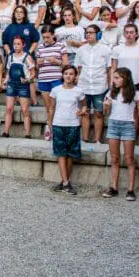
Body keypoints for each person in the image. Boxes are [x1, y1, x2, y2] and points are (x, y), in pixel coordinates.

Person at [103, 67, 139, 200]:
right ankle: (114, 187)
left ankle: (130, 189)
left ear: (126, 78)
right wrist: (106, 106)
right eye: (114, 77)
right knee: (114, 158)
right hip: (113, 124)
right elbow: (106, 112)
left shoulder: (135, 94)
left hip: (128, 125)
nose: (115, 80)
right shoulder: (111, 92)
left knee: (129, 158)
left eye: (118, 77)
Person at [48, 65, 84, 195]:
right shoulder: (56, 90)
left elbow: (83, 106)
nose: (68, 76)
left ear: (75, 76)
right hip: (59, 123)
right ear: (62, 75)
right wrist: (50, 122)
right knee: (61, 153)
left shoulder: (79, 91)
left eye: (71, 74)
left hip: (73, 124)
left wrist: (82, 111)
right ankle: (65, 183)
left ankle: (65, 181)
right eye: (66, 73)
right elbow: (51, 107)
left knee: (70, 154)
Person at [1, 36, 34, 138]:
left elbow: (33, 74)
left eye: (18, 44)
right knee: (9, 108)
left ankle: (27, 134)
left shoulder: (27, 57)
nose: (16, 46)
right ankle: (6, 132)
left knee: (24, 110)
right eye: (14, 44)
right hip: (12, 84)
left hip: (23, 85)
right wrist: (5, 82)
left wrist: (27, 80)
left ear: (23, 45)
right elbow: (8, 73)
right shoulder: (10, 57)